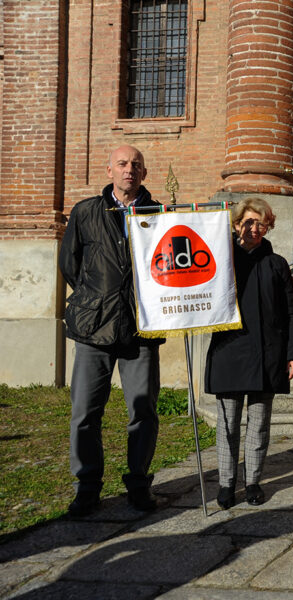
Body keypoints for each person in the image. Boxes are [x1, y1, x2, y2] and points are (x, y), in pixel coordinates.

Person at [59, 145, 163, 516]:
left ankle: (138, 484)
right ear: (110, 171)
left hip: (140, 328)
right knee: (85, 411)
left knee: (143, 410)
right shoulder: (86, 212)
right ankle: (86, 487)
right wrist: (95, 300)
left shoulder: (158, 213)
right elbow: (70, 265)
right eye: (122, 164)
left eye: (136, 165)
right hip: (93, 328)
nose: (129, 170)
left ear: (144, 174)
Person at [205, 197, 293, 509]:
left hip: (268, 354)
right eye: (247, 222)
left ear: (269, 225)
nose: (254, 228)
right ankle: (226, 483)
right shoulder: (222, 260)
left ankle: (253, 482)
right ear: (235, 225)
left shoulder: (276, 264)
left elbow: (290, 313)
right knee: (228, 424)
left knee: (258, 424)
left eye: (260, 222)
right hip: (229, 351)